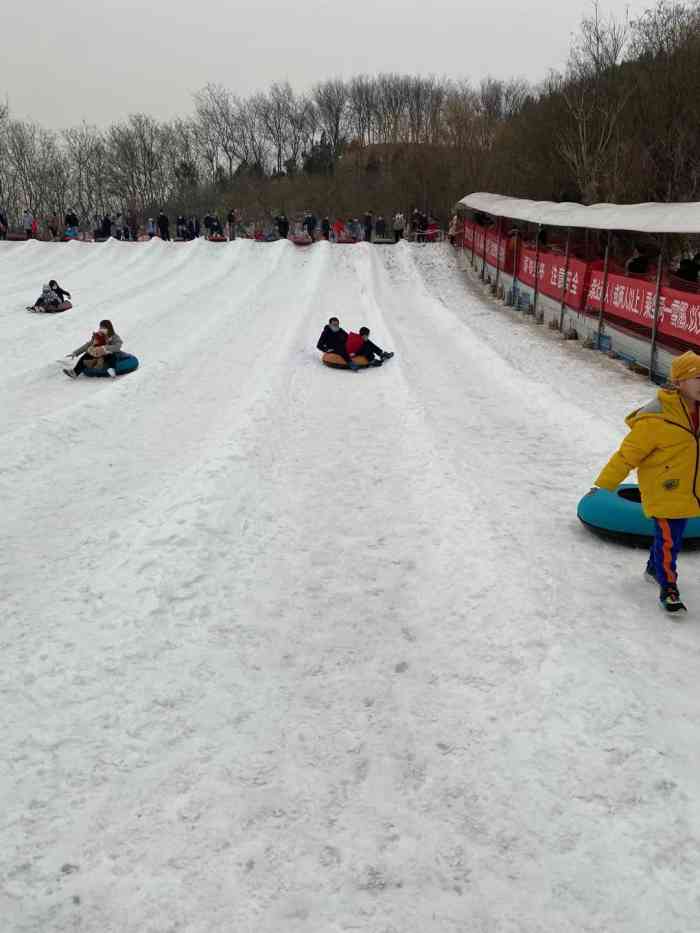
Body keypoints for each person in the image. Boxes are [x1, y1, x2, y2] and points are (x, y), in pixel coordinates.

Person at [593, 351, 700, 613]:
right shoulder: (656, 420)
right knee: (669, 541)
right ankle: (668, 586)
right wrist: (603, 485)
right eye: (699, 377)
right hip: (665, 490)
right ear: (679, 382)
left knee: (670, 536)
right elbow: (627, 455)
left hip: (690, 490)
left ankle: (654, 567)